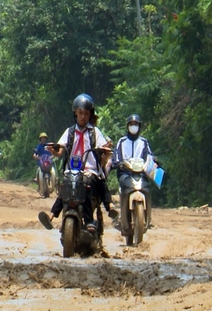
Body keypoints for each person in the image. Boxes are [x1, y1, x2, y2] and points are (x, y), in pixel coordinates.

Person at [38, 94, 115, 233]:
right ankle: (51, 216)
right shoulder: (70, 131)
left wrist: (106, 152)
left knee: (84, 186)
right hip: (72, 171)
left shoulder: (94, 132)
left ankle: (90, 220)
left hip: (90, 171)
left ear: (90, 115)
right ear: (75, 113)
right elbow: (60, 150)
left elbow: (104, 151)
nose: (83, 116)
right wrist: (53, 149)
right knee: (65, 190)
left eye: (86, 114)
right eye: (80, 113)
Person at [112, 114, 155, 228]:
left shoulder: (144, 142)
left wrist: (154, 161)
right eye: (131, 124)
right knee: (125, 188)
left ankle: (148, 217)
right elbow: (116, 157)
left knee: (147, 188)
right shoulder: (122, 142)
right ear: (127, 126)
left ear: (139, 126)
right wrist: (118, 164)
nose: (133, 126)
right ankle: (122, 217)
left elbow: (150, 156)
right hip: (125, 173)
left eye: (136, 124)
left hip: (141, 173)